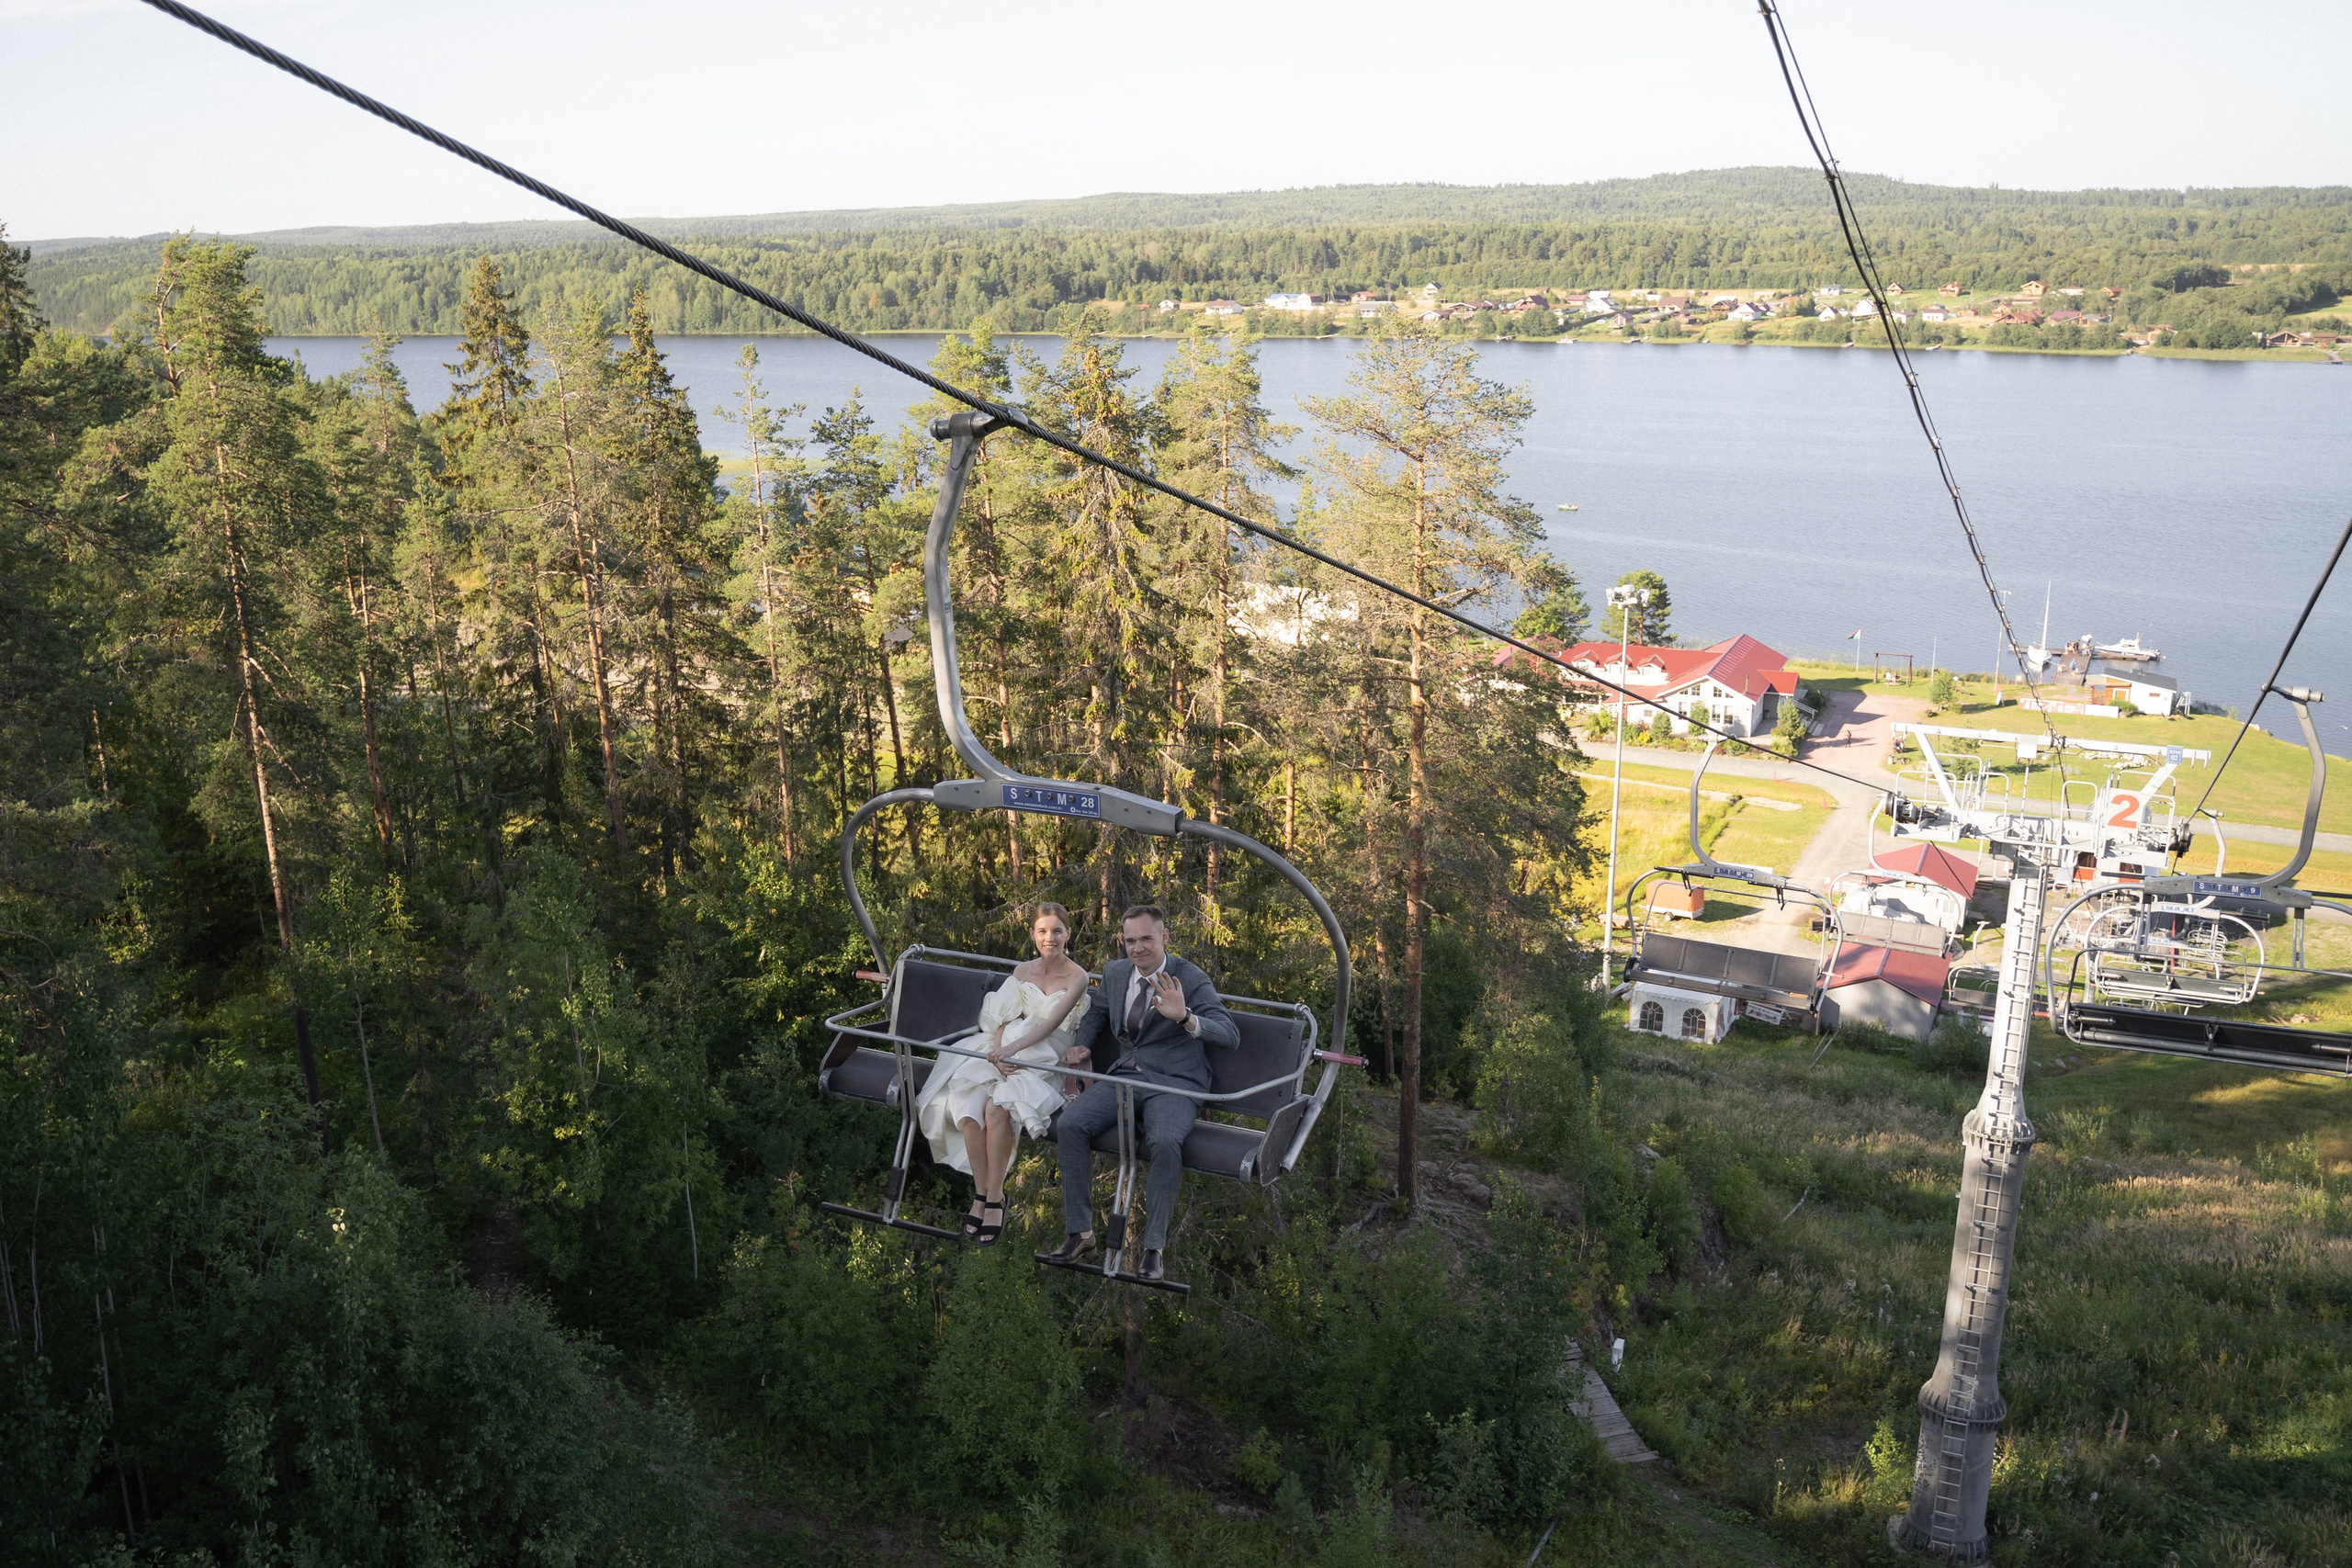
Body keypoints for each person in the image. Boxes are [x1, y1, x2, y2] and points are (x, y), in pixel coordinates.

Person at [1048, 904, 1238, 1280]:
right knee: (1070, 1124)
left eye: (1147, 939)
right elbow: (1097, 1012)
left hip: (1174, 1083)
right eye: (1130, 940)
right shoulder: (1117, 973)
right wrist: (1084, 1043)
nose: (1138, 948)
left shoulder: (1189, 978)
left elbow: (1229, 1034)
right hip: (1126, 1077)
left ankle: (1153, 1249)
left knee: (1164, 1141)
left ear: (1164, 937)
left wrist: (1186, 1018)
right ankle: (1080, 1232)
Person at [913, 903, 1091, 1244]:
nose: (1050, 938)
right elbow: (1002, 1018)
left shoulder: (1077, 977)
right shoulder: (1023, 971)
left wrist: (1011, 1052)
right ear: (1032, 934)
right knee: (968, 1108)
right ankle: (981, 1193)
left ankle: (995, 1198)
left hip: (1046, 1054)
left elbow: (1050, 1026)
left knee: (997, 1110)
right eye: (1042, 931)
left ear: (1068, 933)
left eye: (1057, 931)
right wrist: (998, 1053)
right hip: (1007, 1047)